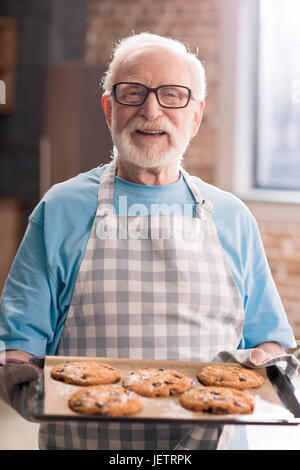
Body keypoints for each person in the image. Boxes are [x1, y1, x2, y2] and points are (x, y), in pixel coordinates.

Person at [0, 32, 297, 450]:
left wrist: (264, 363)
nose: (151, 110)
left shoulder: (232, 217)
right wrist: (18, 370)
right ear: (109, 109)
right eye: (132, 93)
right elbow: (19, 345)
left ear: (195, 115)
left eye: (172, 95)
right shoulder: (60, 209)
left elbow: (272, 342)